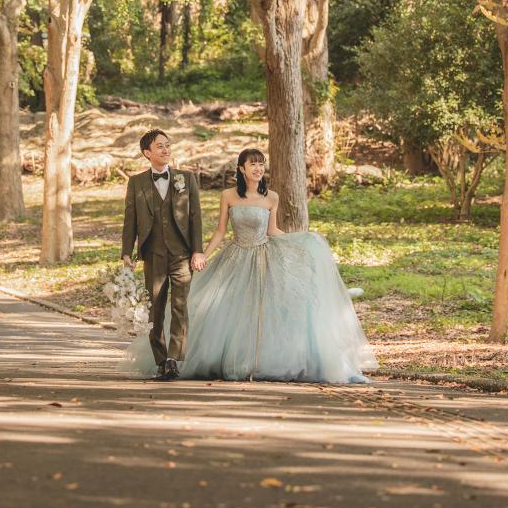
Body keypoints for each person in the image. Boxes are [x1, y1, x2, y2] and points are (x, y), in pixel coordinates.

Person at [125, 148, 377, 383]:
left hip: (264, 258)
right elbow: (221, 232)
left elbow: (273, 231)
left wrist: (301, 242)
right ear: (241, 169)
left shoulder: (272, 198)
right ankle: (199, 359)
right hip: (235, 257)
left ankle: (260, 362)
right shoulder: (228, 196)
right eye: (253, 164)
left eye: (261, 164)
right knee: (225, 310)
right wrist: (201, 255)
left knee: (264, 312)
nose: (258, 168)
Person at [120, 129, 203, 380]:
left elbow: (195, 217)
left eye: (167, 145)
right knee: (155, 308)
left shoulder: (186, 179)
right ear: (147, 153)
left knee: (180, 307)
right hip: (153, 254)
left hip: (181, 254)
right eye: (160, 146)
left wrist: (197, 250)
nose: (166, 150)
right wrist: (127, 252)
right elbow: (130, 219)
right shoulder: (136, 183)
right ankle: (160, 358)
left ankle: (173, 360)